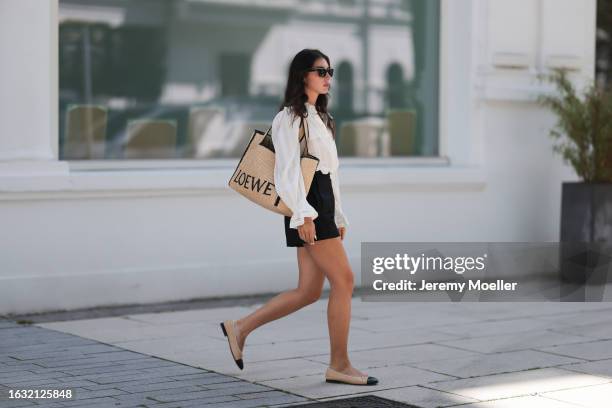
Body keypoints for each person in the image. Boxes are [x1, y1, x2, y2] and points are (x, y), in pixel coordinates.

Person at [220, 49, 378, 386]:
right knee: (345, 280)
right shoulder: (289, 118)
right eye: (321, 71)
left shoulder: (319, 117)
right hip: (305, 206)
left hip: (320, 204)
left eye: (330, 71)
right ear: (302, 75)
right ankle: (340, 363)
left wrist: (337, 214)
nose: (328, 78)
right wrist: (303, 216)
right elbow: (288, 173)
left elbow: (329, 174)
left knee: (307, 290)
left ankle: (240, 328)